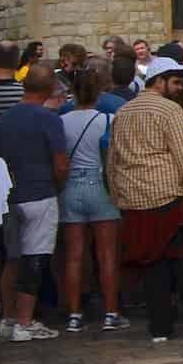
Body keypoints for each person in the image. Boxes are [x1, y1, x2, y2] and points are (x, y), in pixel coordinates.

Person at [109, 56, 183, 343]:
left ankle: (160, 327)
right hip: (167, 194)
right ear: (160, 80)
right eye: (175, 82)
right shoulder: (169, 110)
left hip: (134, 200)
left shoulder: (123, 112)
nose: (179, 88)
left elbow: (112, 158)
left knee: (151, 263)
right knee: (181, 261)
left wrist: (117, 195)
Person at [0, 65, 67, 342]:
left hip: (10, 193)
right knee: (36, 256)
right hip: (39, 192)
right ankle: (24, 321)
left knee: (12, 258)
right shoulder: (48, 118)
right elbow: (60, 161)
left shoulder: (6, 117)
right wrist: (58, 185)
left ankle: (8, 317)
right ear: (49, 90)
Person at [58, 65, 125, 333]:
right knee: (107, 254)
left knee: (74, 255)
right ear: (98, 92)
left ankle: (74, 313)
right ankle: (111, 311)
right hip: (100, 184)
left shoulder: (61, 121)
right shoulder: (107, 120)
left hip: (71, 185)